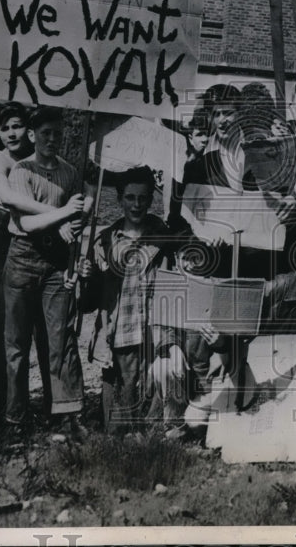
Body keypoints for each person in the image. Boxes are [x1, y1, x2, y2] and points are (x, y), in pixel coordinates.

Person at [4, 106, 88, 435]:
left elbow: (82, 207)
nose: (51, 139)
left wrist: (77, 216)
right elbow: (26, 222)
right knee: (16, 345)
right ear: (31, 136)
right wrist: (64, 216)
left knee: (60, 338)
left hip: (55, 263)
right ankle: (15, 418)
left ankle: (65, 414)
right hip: (23, 258)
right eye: (45, 134)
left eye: (57, 133)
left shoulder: (69, 172)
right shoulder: (21, 172)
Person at [0, 102, 65, 407]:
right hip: (3, 249)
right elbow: (9, 197)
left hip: (42, 250)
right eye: (4, 128)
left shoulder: (47, 163)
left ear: (28, 130)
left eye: (16, 126)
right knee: (5, 330)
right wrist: (62, 213)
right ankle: (3, 402)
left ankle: (52, 403)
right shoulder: (0, 162)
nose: (11, 133)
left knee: (47, 332)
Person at [82, 167, 172, 432]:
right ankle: (118, 433)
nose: (137, 204)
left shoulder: (160, 233)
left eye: (143, 198)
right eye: (130, 197)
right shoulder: (107, 240)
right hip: (120, 323)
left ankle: (146, 431)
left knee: (149, 378)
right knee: (121, 380)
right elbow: (91, 298)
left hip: (151, 319)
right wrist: (88, 274)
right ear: (120, 199)